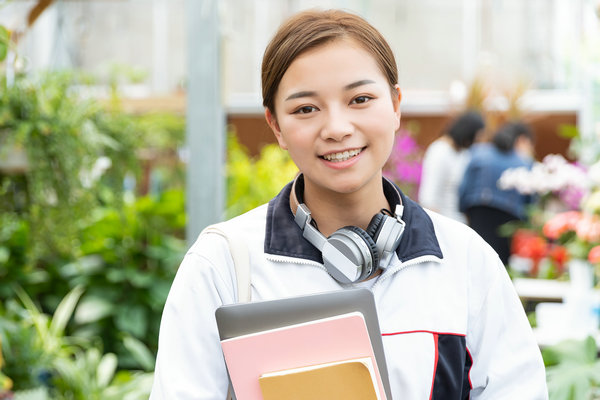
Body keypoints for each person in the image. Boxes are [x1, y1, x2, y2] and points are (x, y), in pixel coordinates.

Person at [150, 9, 547, 399]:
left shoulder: (465, 261)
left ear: (395, 106)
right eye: (306, 108)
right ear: (276, 126)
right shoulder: (223, 265)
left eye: (360, 98)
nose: (337, 128)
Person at [459, 121, 536, 265]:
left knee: (476, 260)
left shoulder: (477, 152)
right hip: (509, 218)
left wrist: (464, 209)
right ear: (522, 140)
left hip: (477, 213)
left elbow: (463, 189)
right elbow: (530, 203)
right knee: (500, 264)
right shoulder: (524, 162)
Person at [418, 110, 485, 223]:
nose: (476, 142)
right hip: (443, 225)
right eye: (476, 137)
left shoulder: (463, 153)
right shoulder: (439, 151)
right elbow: (428, 197)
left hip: (459, 224)